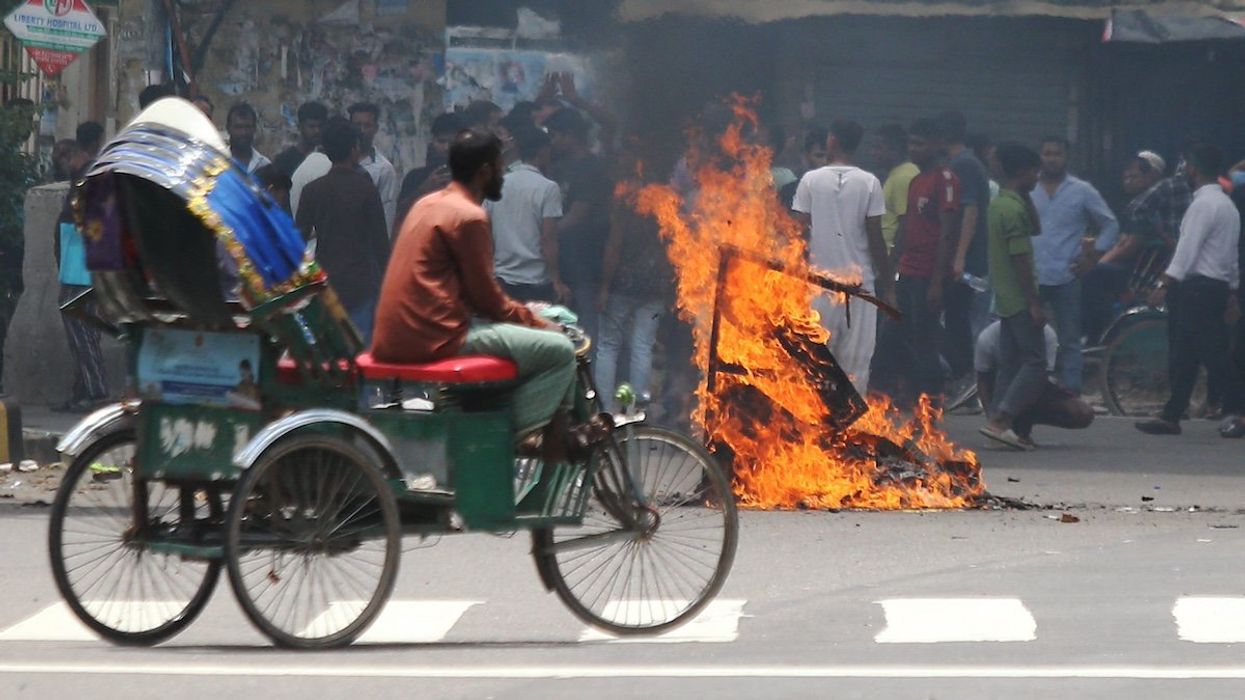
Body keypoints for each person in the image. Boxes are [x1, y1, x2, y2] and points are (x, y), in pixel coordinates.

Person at [372, 129, 578, 447]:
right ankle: (504, 440)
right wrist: (537, 321)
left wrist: (523, 312)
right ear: (484, 171)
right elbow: (487, 300)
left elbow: (466, 292)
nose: (502, 175)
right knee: (561, 351)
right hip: (436, 337)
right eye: (499, 167)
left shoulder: (427, 203)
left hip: (396, 334)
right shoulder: (469, 216)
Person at [1135, 144, 1242, 436]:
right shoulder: (1227, 207)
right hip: (1215, 287)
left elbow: (1187, 250)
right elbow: (1230, 256)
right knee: (1185, 353)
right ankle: (1172, 414)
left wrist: (1164, 283)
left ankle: (1239, 410)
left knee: (1213, 354)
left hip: (1198, 289)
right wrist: (1232, 292)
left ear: (1192, 168)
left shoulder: (1202, 206)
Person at [791, 119, 892, 395]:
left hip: (818, 286)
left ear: (832, 141)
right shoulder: (870, 183)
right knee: (855, 366)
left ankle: (815, 417)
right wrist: (889, 285)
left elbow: (796, 232)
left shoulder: (810, 180)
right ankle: (850, 419)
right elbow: (876, 238)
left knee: (816, 361)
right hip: (859, 289)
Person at [873, 117, 960, 404]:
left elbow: (948, 233)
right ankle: (888, 398)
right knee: (892, 336)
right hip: (907, 273)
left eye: (920, 144)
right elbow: (905, 227)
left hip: (928, 276)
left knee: (925, 342)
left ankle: (931, 404)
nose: (913, 149)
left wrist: (937, 282)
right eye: (911, 143)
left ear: (937, 145)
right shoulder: (916, 181)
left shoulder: (945, 180)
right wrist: (891, 268)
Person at [1030, 137, 1119, 394]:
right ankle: (1030, 391)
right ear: (1040, 156)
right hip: (1030, 275)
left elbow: (1110, 224)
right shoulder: (1028, 189)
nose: (1051, 159)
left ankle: (1071, 393)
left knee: (1070, 339)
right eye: (1047, 153)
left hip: (1067, 276)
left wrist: (1093, 257)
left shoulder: (1082, 190)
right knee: (1028, 338)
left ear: (1067, 157)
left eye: (1057, 153)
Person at [595, 141, 675, 408]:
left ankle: (605, 408)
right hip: (653, 288)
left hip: (622, 286)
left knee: (608, 346)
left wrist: (604, 287)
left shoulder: (626, 202)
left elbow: (614, 247)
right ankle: (636, 408)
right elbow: (672, 248)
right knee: (643, 346)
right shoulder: (668, 202)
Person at [295, 118, 390, 343]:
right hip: (360, 283)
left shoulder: (312, 191)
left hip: (325, 283)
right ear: (354, 149)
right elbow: (380, 243)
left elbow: (297, 242)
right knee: (359, 347)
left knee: (330, 347)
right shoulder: (366, 189)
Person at [980, 143, 1047, 449]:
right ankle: (1002, 417)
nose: (1038, 178)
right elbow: (1020, 258)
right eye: (1034, 172)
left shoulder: (1000, 204)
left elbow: (1036, 228)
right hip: (1020, 298)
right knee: (1035, 361)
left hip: (1004, 297)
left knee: (1009, 363)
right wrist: (1034, 303)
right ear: (1022, 172)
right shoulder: (1012, 209)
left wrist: (1025, 193)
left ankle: (996, 422)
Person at [1082, 151, 1168, 343]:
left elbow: (1130, 245)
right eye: (1125, 178)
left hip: (1141, 270)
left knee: (1093, 275)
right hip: (1134, 265)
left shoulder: (1147, 205)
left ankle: (1094, 334)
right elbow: (1123, 241)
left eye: (1134, 177)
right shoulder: (1135, 203)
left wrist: (1100, 263)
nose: (1128, 181)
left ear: (1151, 176)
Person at [546, 107, 612, 342]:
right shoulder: (560, 164)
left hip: (585, 261)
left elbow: (578, 215)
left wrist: (546, 236)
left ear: (570, 135)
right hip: (563, 259)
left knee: (584, 329)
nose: (552, 141)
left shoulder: (591, 168)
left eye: (555, 135)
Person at [975, 319, 1092, 449]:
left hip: (1034, 390)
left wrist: (1024, 429)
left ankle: (1019, 425)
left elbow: (1040, 381)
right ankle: (1001, 423)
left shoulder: (1047, 335)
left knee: (1082, 413)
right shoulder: (988, 338)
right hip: (999, 390)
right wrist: (991, 418)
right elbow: (982, 379)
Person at [52, 140, 107, 412]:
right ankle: (83, 391)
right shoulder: (89, 177)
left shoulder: (89, 178)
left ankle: (95, 391)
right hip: (81, 269)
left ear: (69, 156)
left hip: (82, 271)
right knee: (84, 333)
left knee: (82, 332)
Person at [485, 126, 566, 302]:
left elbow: (486, 232)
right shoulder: (548, 188)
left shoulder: (496, 184)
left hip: (502, 279)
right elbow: (548, 239)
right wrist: (556, 280)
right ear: (543, 151)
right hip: (536, 281)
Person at [941, 111, 993, 380]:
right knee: (954, 317)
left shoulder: (965, 165)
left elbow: (970, 211)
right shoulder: (961, 163)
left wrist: (960, 257)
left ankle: (964, 376)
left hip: (965, 261)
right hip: (960, 258)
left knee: (956, 318)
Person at [397, 112, 461, 225]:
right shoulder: (415, 177)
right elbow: (400, 215)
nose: (447, 147)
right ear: (433, 141)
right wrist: (424, 189)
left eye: (452, 142)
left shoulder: (472, 177)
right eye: (441, 141)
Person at [349, 102, 399, 235]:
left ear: (376, 128)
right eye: (357, 125)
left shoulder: (384, 169)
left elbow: (386, 213)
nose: (361, 130)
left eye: (367, 125)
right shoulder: (336, 161)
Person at [875, 123, 919, 254]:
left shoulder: (903, 177)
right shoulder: (897, 174)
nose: (873, 153)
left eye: (878, 148)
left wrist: (894, 258)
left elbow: (906, 222)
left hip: (894, 257)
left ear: (894, 150)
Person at [779, 125, 828, 210]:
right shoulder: (790, 193)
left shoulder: (846, 193)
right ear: (806, 157)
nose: (825, 162)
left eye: (831, 157)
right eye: (819, 156)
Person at [273, 101, 327, 178]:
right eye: (311, 126)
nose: (317, 131)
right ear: (300, 127)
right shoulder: (285, 161)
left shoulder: (329, 156)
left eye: (320, 126)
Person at [226, 102, 271, 173]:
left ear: (254, 129)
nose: (243, 132)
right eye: (238, 127)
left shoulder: (264, 165)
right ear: (228, 129)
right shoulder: (217, 163)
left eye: (247, 127)